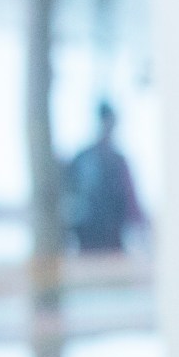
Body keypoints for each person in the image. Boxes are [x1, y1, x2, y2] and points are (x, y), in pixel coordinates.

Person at [65, 100, 146, 252]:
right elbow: (70, 198)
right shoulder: (84, 159)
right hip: (87, 241)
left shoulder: (117, 161)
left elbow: (131, 201)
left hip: (111, 242)